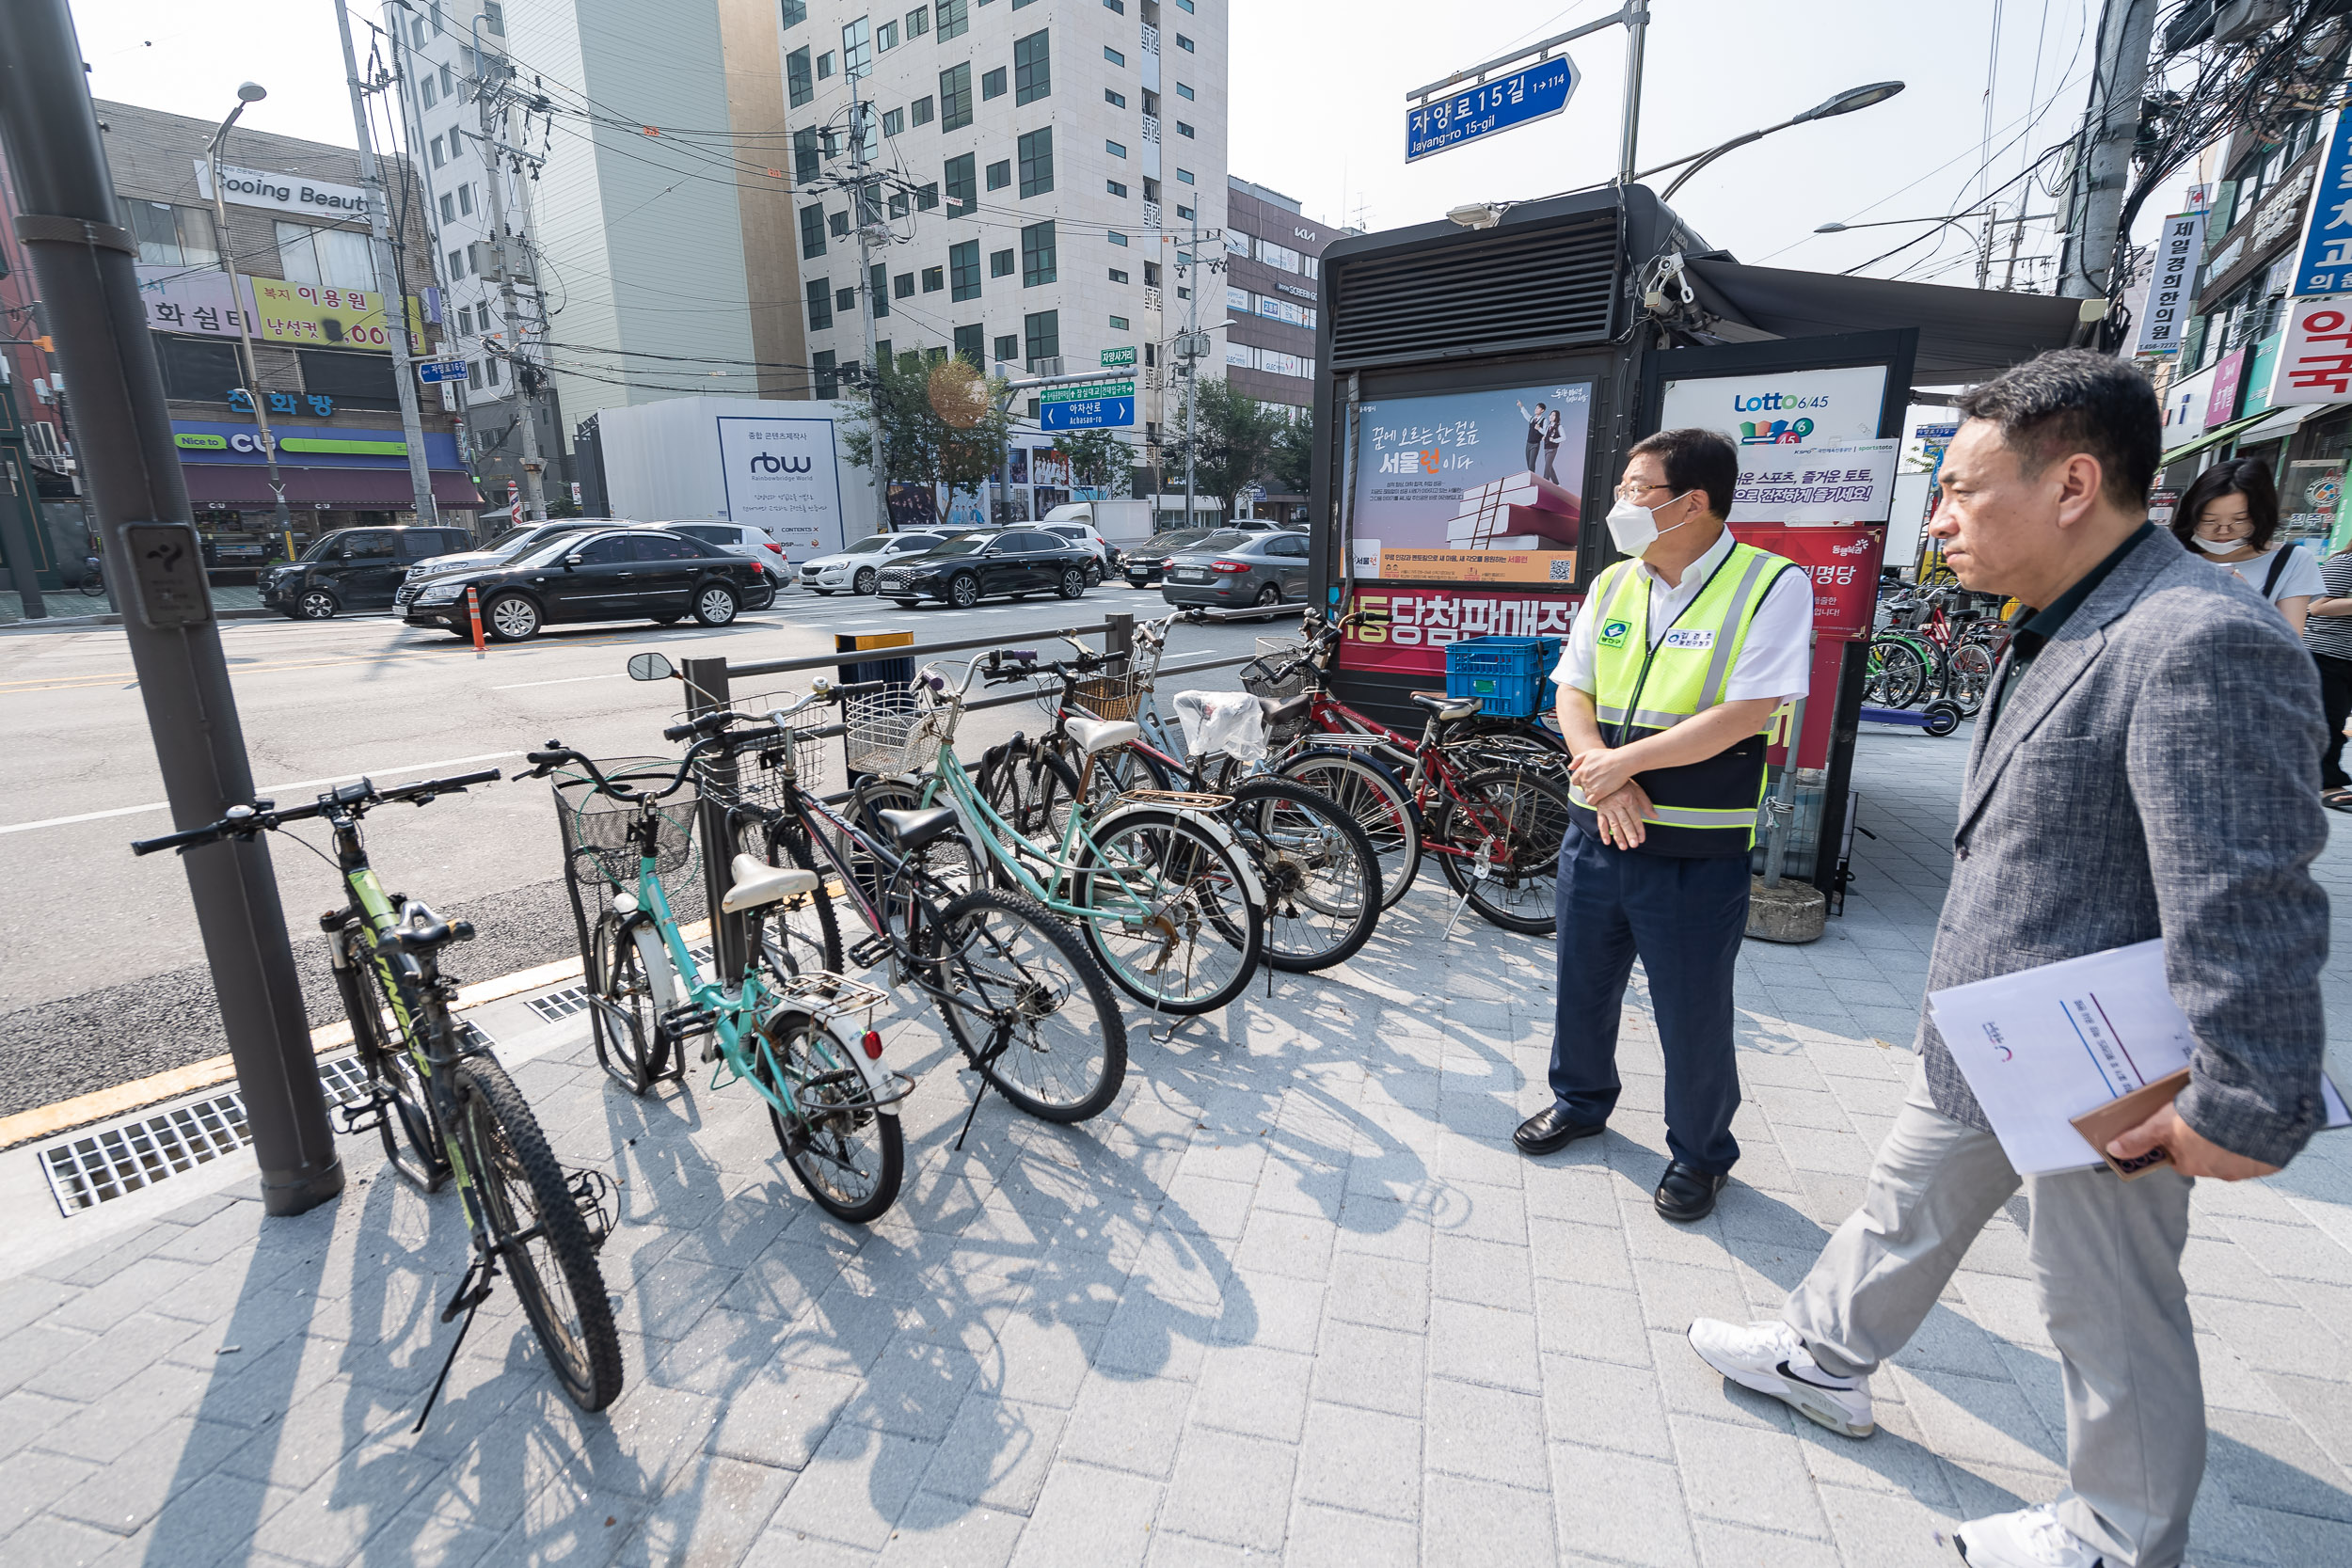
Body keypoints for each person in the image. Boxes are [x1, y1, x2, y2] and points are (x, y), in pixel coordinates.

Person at [1686, 350, 2329, 1568]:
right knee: (1901, 1203)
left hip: (2105, 1067)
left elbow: (2247, 886)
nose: (1937, 518)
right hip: (2000, 1032)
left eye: (1964, 490)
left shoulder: (2197, 636)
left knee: (2107, 1300)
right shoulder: (2073, 614)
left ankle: (2118, 1530)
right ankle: (1826, 1357)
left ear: (2074, 482)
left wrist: (2246, 1097)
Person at [1514, 426, 1813, 1224]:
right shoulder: (1613, 584)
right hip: (1595, 831)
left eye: (1638, 490)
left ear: (1695, 502)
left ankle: (1701, 1153)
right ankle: (1580, 1102)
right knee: (1581, 987)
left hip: (1692, 849)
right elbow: (1571, 690)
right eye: (1621, 489)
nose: (1621, 504)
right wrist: (1598, 771)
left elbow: (1746, 712)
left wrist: (1627, 765)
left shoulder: (1771, 584)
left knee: (1691, 1010)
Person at [2169, 457, 2320, 633]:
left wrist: (2247, 601)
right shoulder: (2168, 555)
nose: (2223, 531)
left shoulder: (2291, 560)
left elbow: (2290, 640)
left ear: (2261, 516)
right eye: (2208, 521)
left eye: (2239, 521)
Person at [2305, 536, 2352, 809]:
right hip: (2326, 654)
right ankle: (2327, 785)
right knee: (2328, 722)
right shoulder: (2345, 562)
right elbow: (2317, 606)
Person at [1517, 399, 1548, 472]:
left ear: (1542, 410)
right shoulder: (1532, 419)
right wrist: (1521, 406)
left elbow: (1545, 432)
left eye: (1538, 408)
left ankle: (1531, 479)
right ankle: (1531, 476)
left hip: (1535, 444)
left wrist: (1539, 428)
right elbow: (1526, 414)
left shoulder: (1544, 420)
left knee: (1531, 464)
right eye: (1536, 408)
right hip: (1528, 443)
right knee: (1528, 463)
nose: (1536, 409)